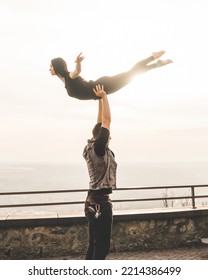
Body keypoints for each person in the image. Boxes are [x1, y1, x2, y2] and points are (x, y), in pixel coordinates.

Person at [50, 51, 173, 100]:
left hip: (103, 86)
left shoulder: (69, 77)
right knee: (130, 75)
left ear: (57, 67)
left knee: (131, 74)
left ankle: (153, 57)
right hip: (103, 89)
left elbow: (77, 72)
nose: (49, 69)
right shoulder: (65, 81)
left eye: (51, 66)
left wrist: (78, 64)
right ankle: (156, 64)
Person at [83, 84, 117, 260]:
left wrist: (99, 100)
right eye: (108, 135)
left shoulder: (91, 146)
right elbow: (106, 122)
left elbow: (100, 123)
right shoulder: (99, 148)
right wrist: (104, 96)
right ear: (102, 137)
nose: (110, 137)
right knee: (101, 247)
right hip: (100, 205)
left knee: (93, 244)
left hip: (92, 202)